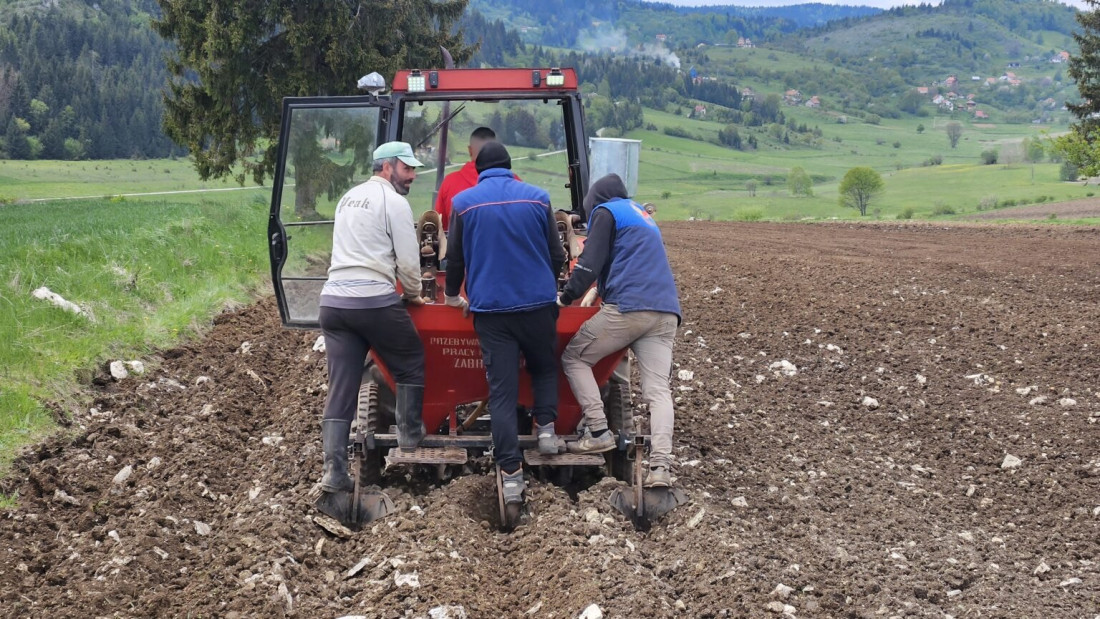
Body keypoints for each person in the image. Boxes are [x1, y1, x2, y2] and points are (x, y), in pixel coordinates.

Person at [442, 141, 567, 506]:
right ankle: (545, 430)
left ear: (478, 171)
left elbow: (456, 262)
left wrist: (453, 297)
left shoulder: (463, 204)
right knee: (544, 367)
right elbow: (558, 253)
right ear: (512, 168)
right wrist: (548, 283)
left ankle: (511, 473)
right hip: (537, 305)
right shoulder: (539, 198)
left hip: (492, 313)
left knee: (501, 390)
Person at [316, 141, 428, 520]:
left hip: (333, 302)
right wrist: (414, 296)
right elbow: (409, 263)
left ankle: (334, 474)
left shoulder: (348, 197)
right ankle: (411, 436)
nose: (412, 175)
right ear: (389, 167)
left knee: (342, 386)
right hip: (372, 299)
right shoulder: (393, 203)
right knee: (411, 358)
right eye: (408, 168)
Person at [558, 173, 682, 488]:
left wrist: (565, 296)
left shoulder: (605, 211)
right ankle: (660, 468)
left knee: (574, 357)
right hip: (666, 312)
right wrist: (595, 291)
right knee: (657, 392)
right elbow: (630, 261)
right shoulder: (641, 216)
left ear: (594, 201)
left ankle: (598, 430)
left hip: (629, 309)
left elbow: (589, 262)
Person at [434, 127, 499, 233]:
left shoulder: (449, 182)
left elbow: (441, 229)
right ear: (497, 151)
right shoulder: (515, 183)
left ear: (470, 150)